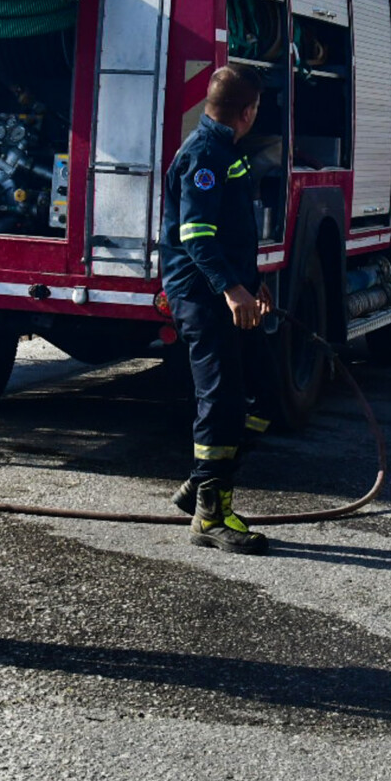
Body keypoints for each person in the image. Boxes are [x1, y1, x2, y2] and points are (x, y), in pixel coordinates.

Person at [162, 64, 276, 555]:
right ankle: (211, 514)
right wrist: (232, 291)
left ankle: (202, 482)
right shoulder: (205, 155)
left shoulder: (224, 149)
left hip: (231, 292)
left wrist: (255, 283)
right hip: (202, 295)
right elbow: (197, 236)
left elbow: (231, 231)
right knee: (222, 400)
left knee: (264, 396)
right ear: (248, 112)